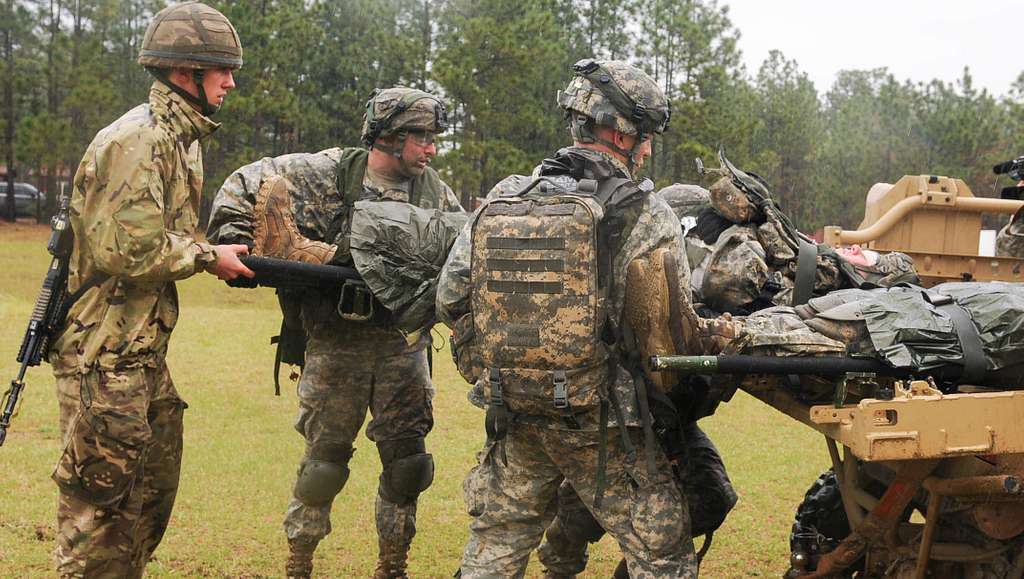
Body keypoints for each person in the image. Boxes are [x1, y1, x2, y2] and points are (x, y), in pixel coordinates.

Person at [438, 58, 709, 578]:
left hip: (512, 405)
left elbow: (451, 296)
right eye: (644, 136)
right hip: (601, 420)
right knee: (663, 551)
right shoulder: (646, 213)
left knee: (497, 542)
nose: (648, 149)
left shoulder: (505, 196)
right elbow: (668, 337)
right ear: (618, 131)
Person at [206, 86, 462, 579]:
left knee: (408, 466)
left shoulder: (435, 193)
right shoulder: (326, 173)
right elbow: (243, 183)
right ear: (387, 136)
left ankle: (393, 566)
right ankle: (299, 562)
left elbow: (456, 258)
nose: (430, 149)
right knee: (323, 464)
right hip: (336, 344)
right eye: (421, 138)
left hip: (401, 348)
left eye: (433, 139)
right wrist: (236, 241)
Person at [47, 3, 250, 577]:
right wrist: (210, 257)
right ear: (184, 73)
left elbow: (163, 237)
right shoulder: (137, 140)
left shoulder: (182, 140)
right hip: (103, 361)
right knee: (102, 530)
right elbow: (129, 251)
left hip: (141, 356)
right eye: (222, 71)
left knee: (147, 508)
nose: (231, 82)